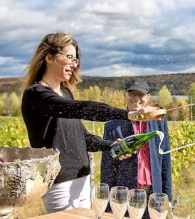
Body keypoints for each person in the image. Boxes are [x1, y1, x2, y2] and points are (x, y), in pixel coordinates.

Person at [21, 32, 157, 213]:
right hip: (59, 183)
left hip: (83, 178)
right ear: (49, 57)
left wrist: (112, 146)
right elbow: (81, 109)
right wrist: (128, 114)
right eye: (69, 57)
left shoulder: (66, 93)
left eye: (75, 60)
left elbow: (82, 137)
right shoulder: (36, 94)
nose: (73, 63)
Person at [101, 79, 172, 218]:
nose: (136, 99)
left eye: (141, 95)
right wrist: (108, 204)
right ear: (124, 95)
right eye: (132, 94)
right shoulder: (112, 125)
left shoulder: (158, 122)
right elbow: (107, 167)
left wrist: (167, 196)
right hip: (125, 195)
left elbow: (165, 160)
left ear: (148, 97)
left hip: (153, 195)